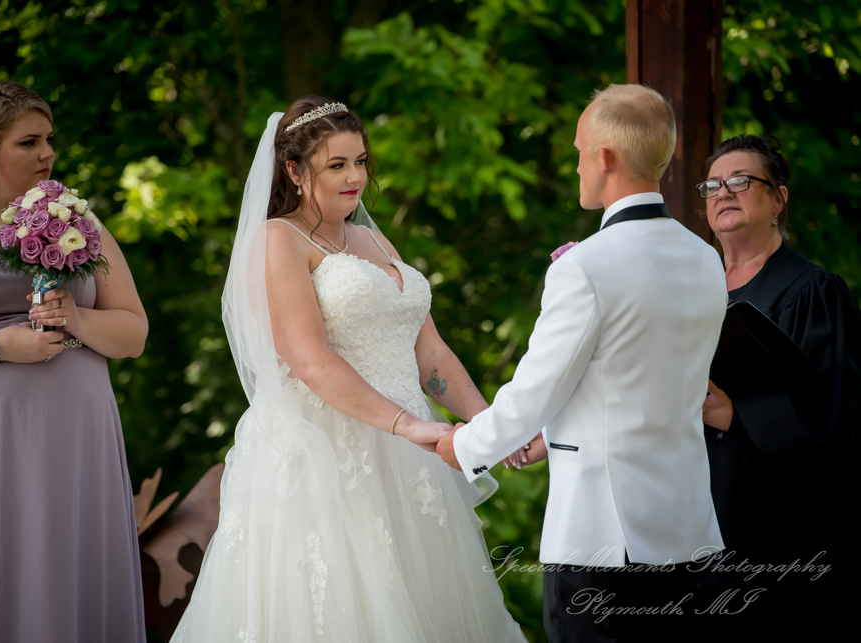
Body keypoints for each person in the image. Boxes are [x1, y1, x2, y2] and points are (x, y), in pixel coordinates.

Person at [170, 97, 526, 642]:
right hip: (329, 458)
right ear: (294, 170)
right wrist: (411, 426)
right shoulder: (278, 241)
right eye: (336, 165)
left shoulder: (374, 239)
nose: (355, 176)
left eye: (360, 161)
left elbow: (428, 354)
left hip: (409, 457)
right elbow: (310, 361)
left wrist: (494, 426)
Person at [437, 84, 727, 643]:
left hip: (603, 543)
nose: (575, 167)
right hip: (691, 535)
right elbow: (636, 381)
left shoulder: (587, 267)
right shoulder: (703, 257)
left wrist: (467, 446)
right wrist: (549, 433)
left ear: (605, 158)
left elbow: (536, 389)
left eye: (577, 153)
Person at [0, 82, 148, 642]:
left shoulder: (75, 221)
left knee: (76, 568)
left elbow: (134, 331)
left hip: (80, 436)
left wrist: (78, 321)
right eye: (30, 142)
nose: (48, 154)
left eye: (50, 140)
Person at [698, 134, 861, 639]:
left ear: (778, 199)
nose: (724, 192)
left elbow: (837, 415)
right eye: (712, 186)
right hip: (693, 508)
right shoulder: (692, 293)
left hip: (775, 523)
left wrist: (735, 413)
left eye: (742, 181)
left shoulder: (814, 291)